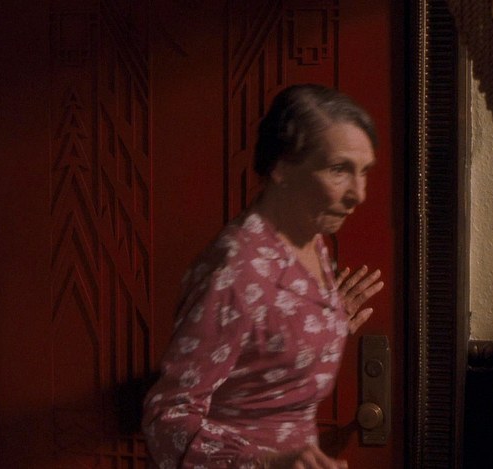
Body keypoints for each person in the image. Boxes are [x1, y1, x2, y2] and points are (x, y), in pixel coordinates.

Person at [142, 84, 385, 468]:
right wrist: (267, 464)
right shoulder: (235, 272)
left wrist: (328, 324)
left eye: (364, 171)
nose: (359, 194)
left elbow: (260, 349)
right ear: (281, 167)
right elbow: (166, 419)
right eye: (338, 170)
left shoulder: (309, 236)